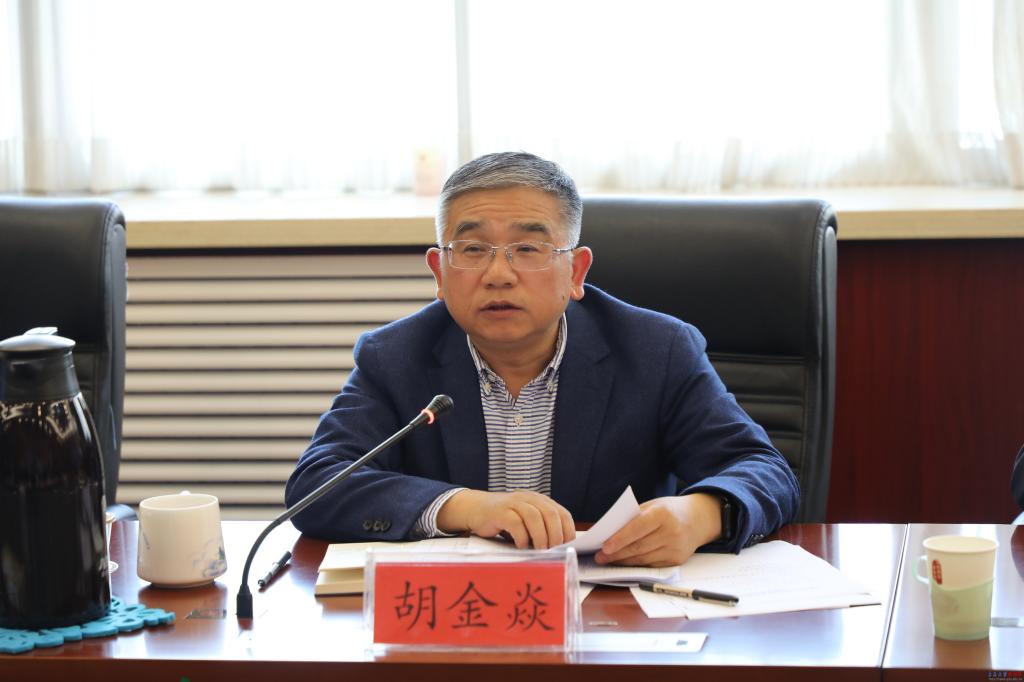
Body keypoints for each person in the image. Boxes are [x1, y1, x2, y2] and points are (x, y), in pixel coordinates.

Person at [285, 151, 799, 567]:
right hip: (457, 619)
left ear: (576, 272)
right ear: (439, 272)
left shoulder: (656, 351)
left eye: (529, 250)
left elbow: (764, 470)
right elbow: (318, 485)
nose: (499, 274)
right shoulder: (395, 357)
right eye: (473, 249)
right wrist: (468, 507)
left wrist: (700, 514)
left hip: (610, 620)